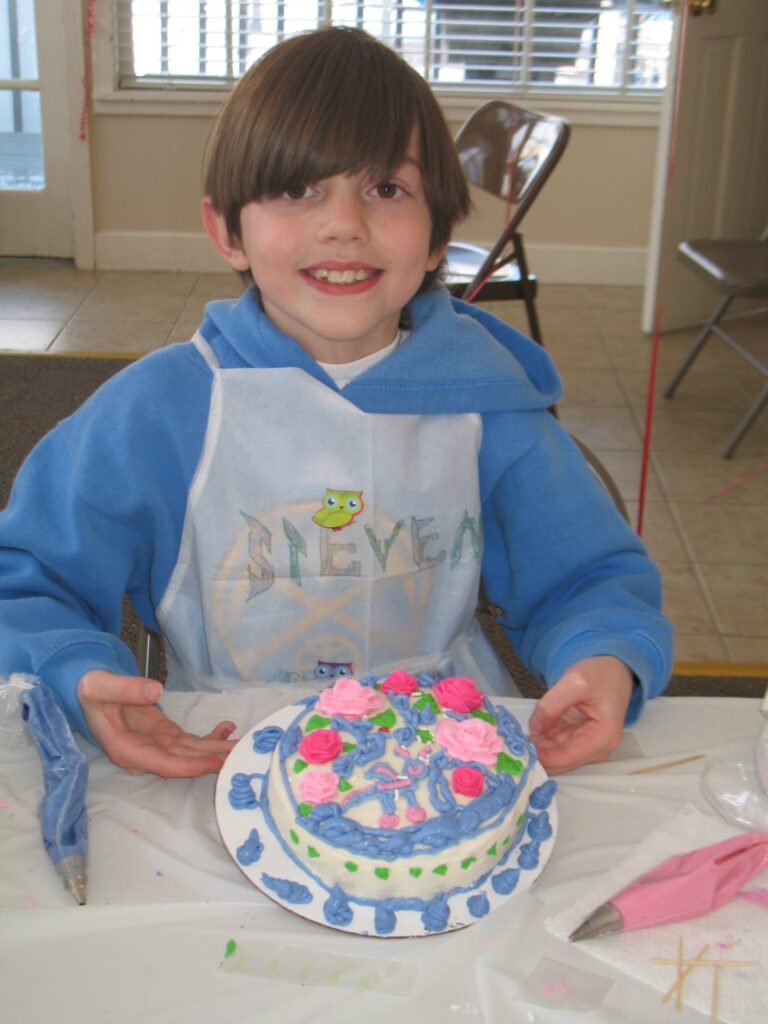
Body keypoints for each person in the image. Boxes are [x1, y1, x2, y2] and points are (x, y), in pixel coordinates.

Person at [0, 27, 672, 779]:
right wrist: (70, 665)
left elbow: (590, 576)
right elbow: (27, 574)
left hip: (448, 754)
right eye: (296, 189)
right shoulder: (157, 411)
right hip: (221, 748)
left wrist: (606, 655)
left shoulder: (491, 408)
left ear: (435, 238)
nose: (344, 225)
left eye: (387, 189)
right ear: (227, 231)